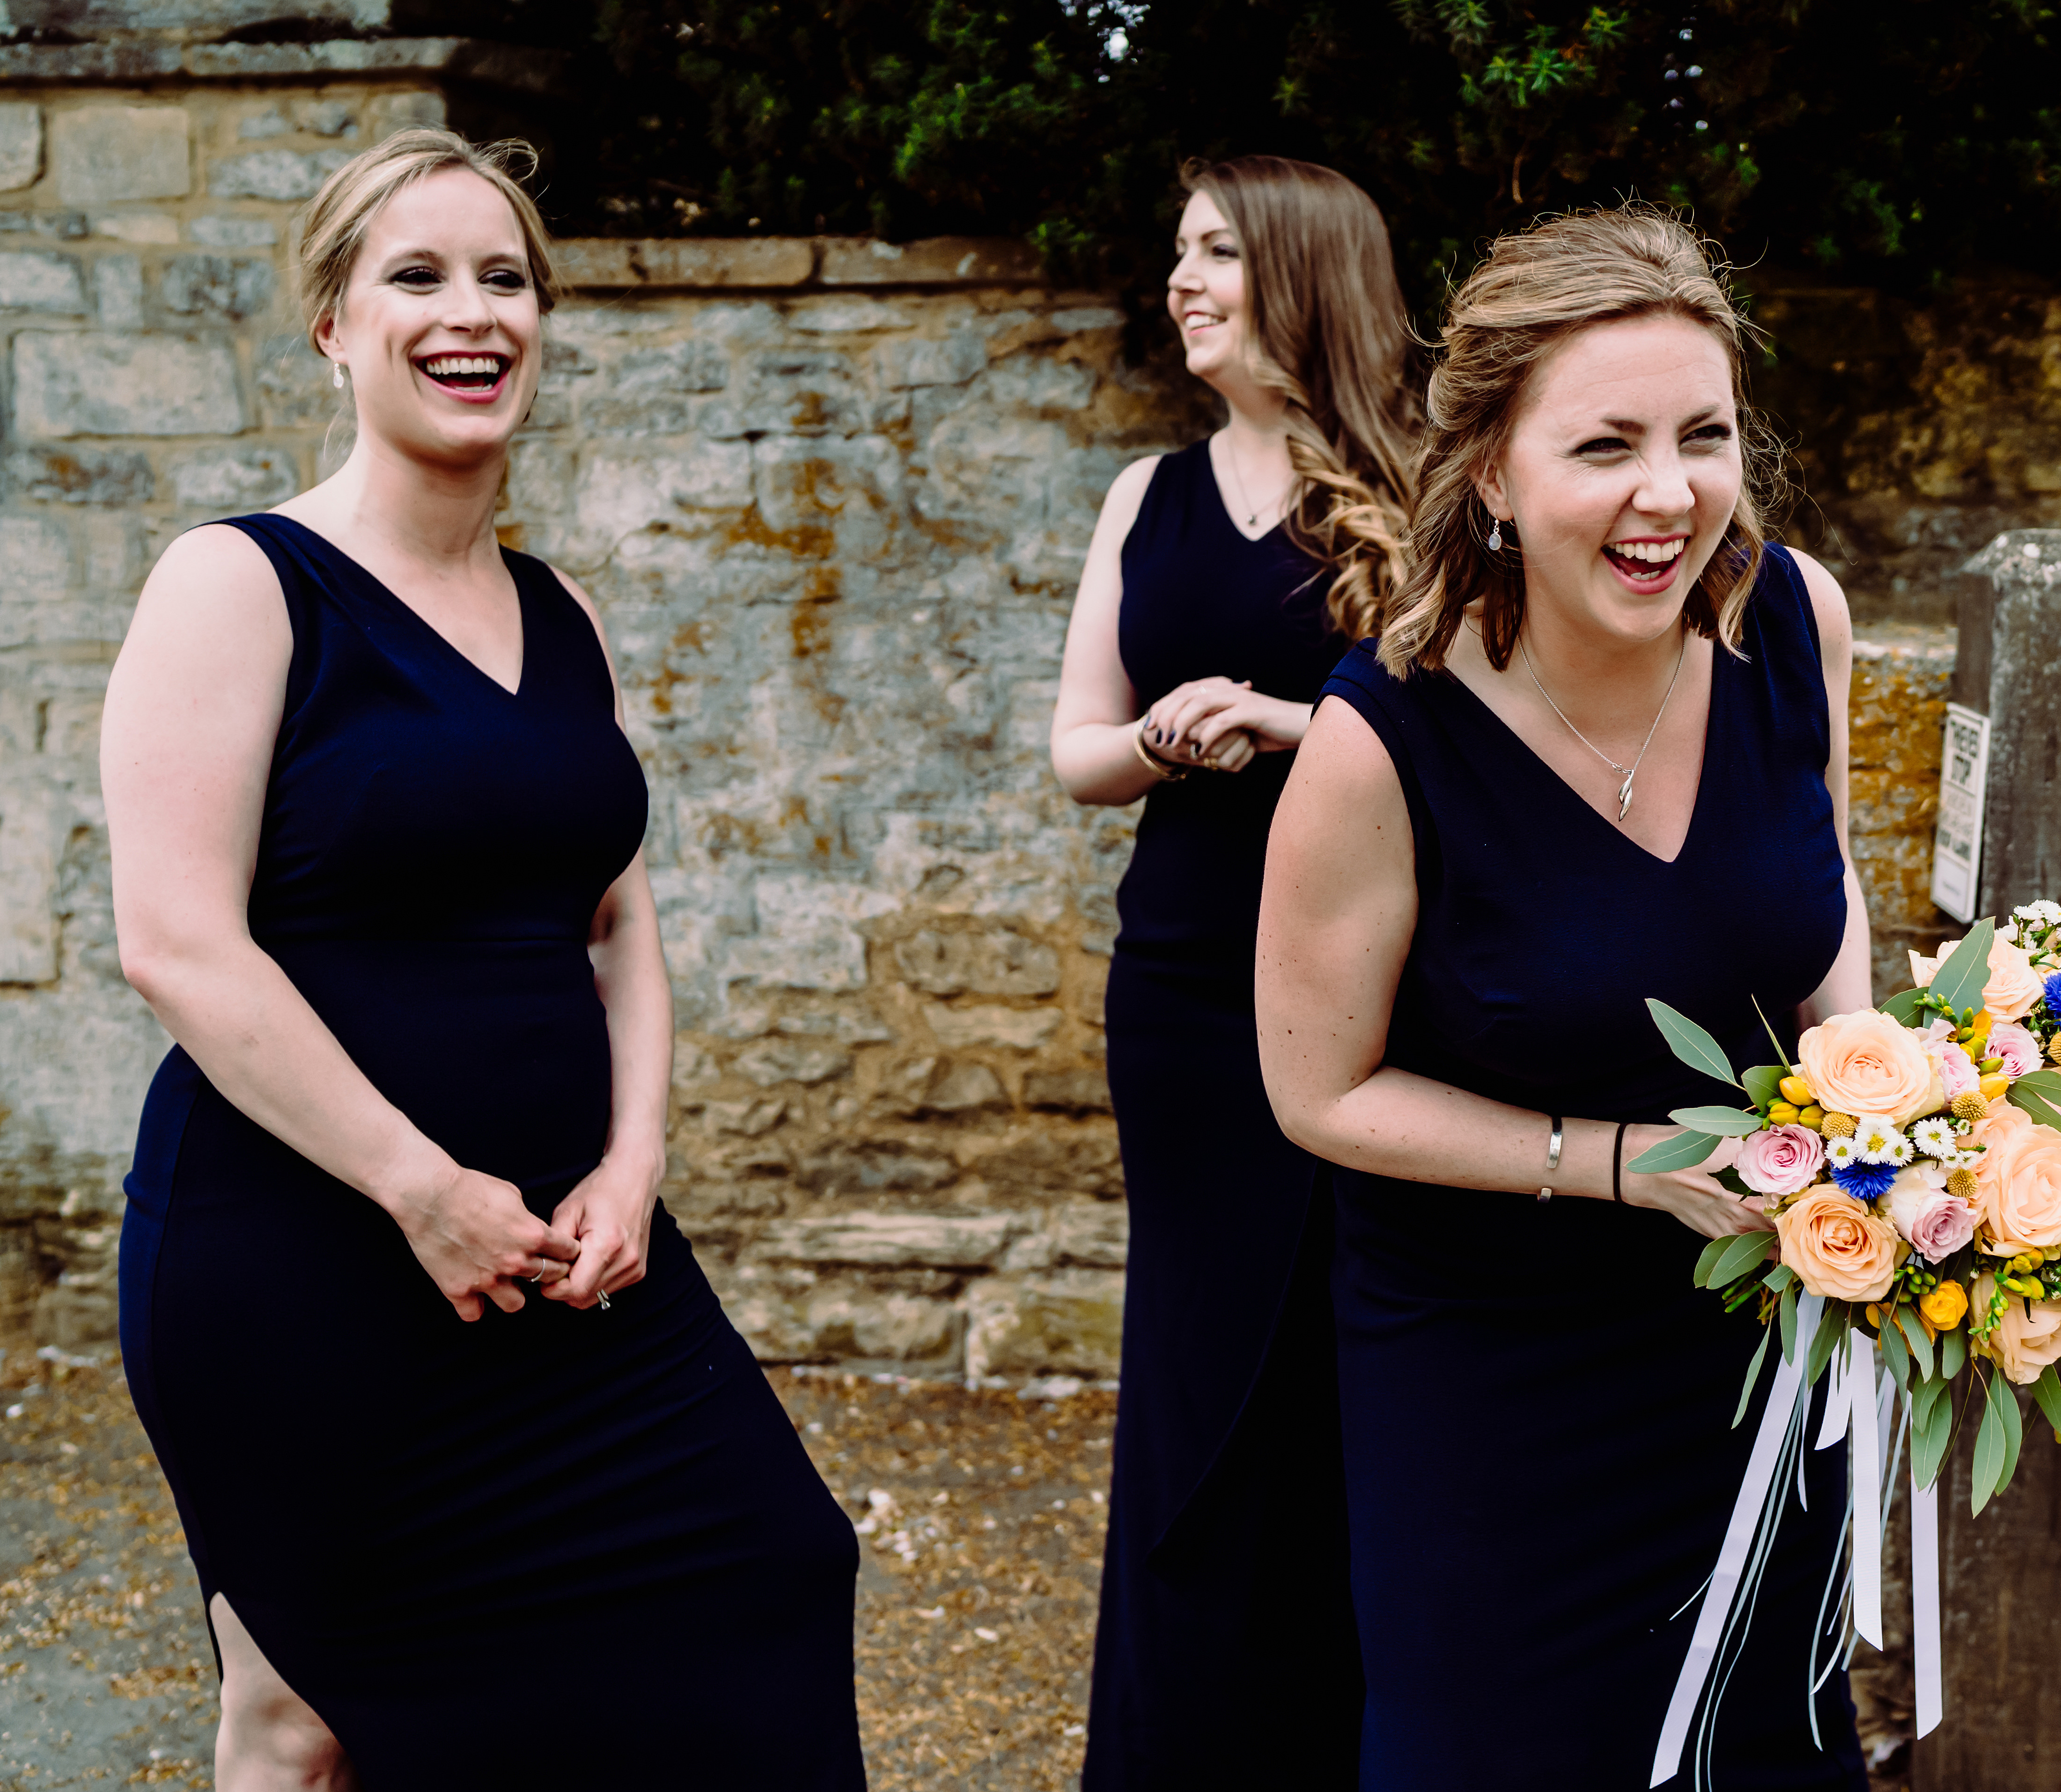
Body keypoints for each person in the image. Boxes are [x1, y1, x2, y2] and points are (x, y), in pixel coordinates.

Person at [101, 130, 862, 1790]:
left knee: (774, 1573)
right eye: (420, 276)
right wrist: (416, 1185)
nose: (475, 314)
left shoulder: (561, 609)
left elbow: (622, 920)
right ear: (334, 326)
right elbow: (174, 942)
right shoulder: (237, 582)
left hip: (572, 1264)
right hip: (302, 1257)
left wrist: (635, 1163)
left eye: (506, 278)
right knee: (306, 1723)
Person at [1258, 206, 1875, 1788]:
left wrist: (1883, 1118)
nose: (1668, 495)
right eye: (1604, 445)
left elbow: (1820, 898)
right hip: (1489, 1384)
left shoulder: (1798, 628)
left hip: (1750, 1343)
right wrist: (1628, 1161)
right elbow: (1318, 1093)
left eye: (1705, 436)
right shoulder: (1378, 743)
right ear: (1493, 474)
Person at [1050, 154, 1419, 1786]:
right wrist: (1155, 737)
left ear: (1302, 274)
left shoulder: (1424, 488)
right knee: (1199, 1379)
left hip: (1381, 1001)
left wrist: (1301, 726)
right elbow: (1074, 752)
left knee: (1353, 1381)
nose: (1185, 279)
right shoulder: (1145, 495)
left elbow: (1479, 741)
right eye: (1178, 248)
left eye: (1217, 252)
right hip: (1189, 996)